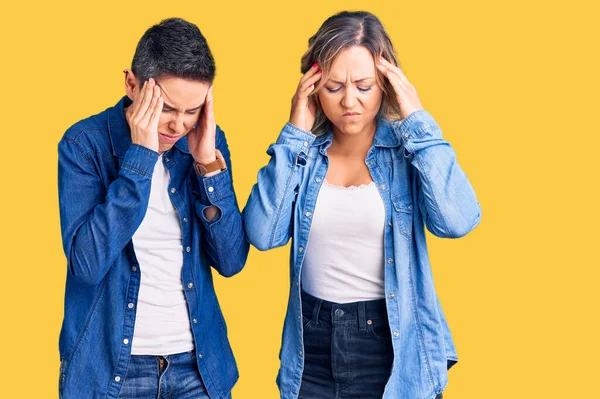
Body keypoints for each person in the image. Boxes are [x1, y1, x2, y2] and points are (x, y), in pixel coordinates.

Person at [243, 11, 481, 399]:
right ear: (314, 87)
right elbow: (262, 234)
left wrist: (417, 120)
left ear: (386, 84)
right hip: (311, 346)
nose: (349, 101)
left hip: (392, 345)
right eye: (334, 86)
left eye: (364, 85)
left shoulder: (407, 151)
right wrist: (293, 135)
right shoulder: (305, 155)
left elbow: (458, 220)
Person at [57, 18, 248, 399]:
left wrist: (208, 165)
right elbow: (87, 264)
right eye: (167, 108)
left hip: (198, 367)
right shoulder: (83, 145)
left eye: (193, 110)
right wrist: (140, 159)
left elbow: (231, 261)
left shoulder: (204, 143)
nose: (179, 125)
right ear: (132, 84)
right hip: (110, 370)